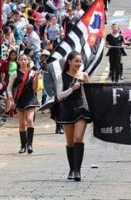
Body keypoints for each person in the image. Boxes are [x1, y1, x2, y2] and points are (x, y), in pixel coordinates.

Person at [56, 51, 91, 181]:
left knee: (78, 138)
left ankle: (78, 171)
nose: (78, 63)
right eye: (76, 61)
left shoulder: (84, 76)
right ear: (69, 61)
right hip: (67, 109)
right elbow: (59, 96)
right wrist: (72, 89)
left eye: (80, 61)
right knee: (70, 142)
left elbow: (90, 95)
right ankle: (72, 168)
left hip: (81, 109)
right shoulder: (62, 76)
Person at [7, 54, 40, 154]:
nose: (23, 61)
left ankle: (30, 144)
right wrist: (11, 99)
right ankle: (23, 145)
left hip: (30, 98)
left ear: (28, 61)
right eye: (21, 60)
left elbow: (34, 88)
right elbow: (9, 88)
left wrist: (36, 77)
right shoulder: (15, 74)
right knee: (22, 124)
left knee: (30, 120)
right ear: (18, 61)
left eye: (25, 60)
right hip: (19, 100)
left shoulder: (32, 73)